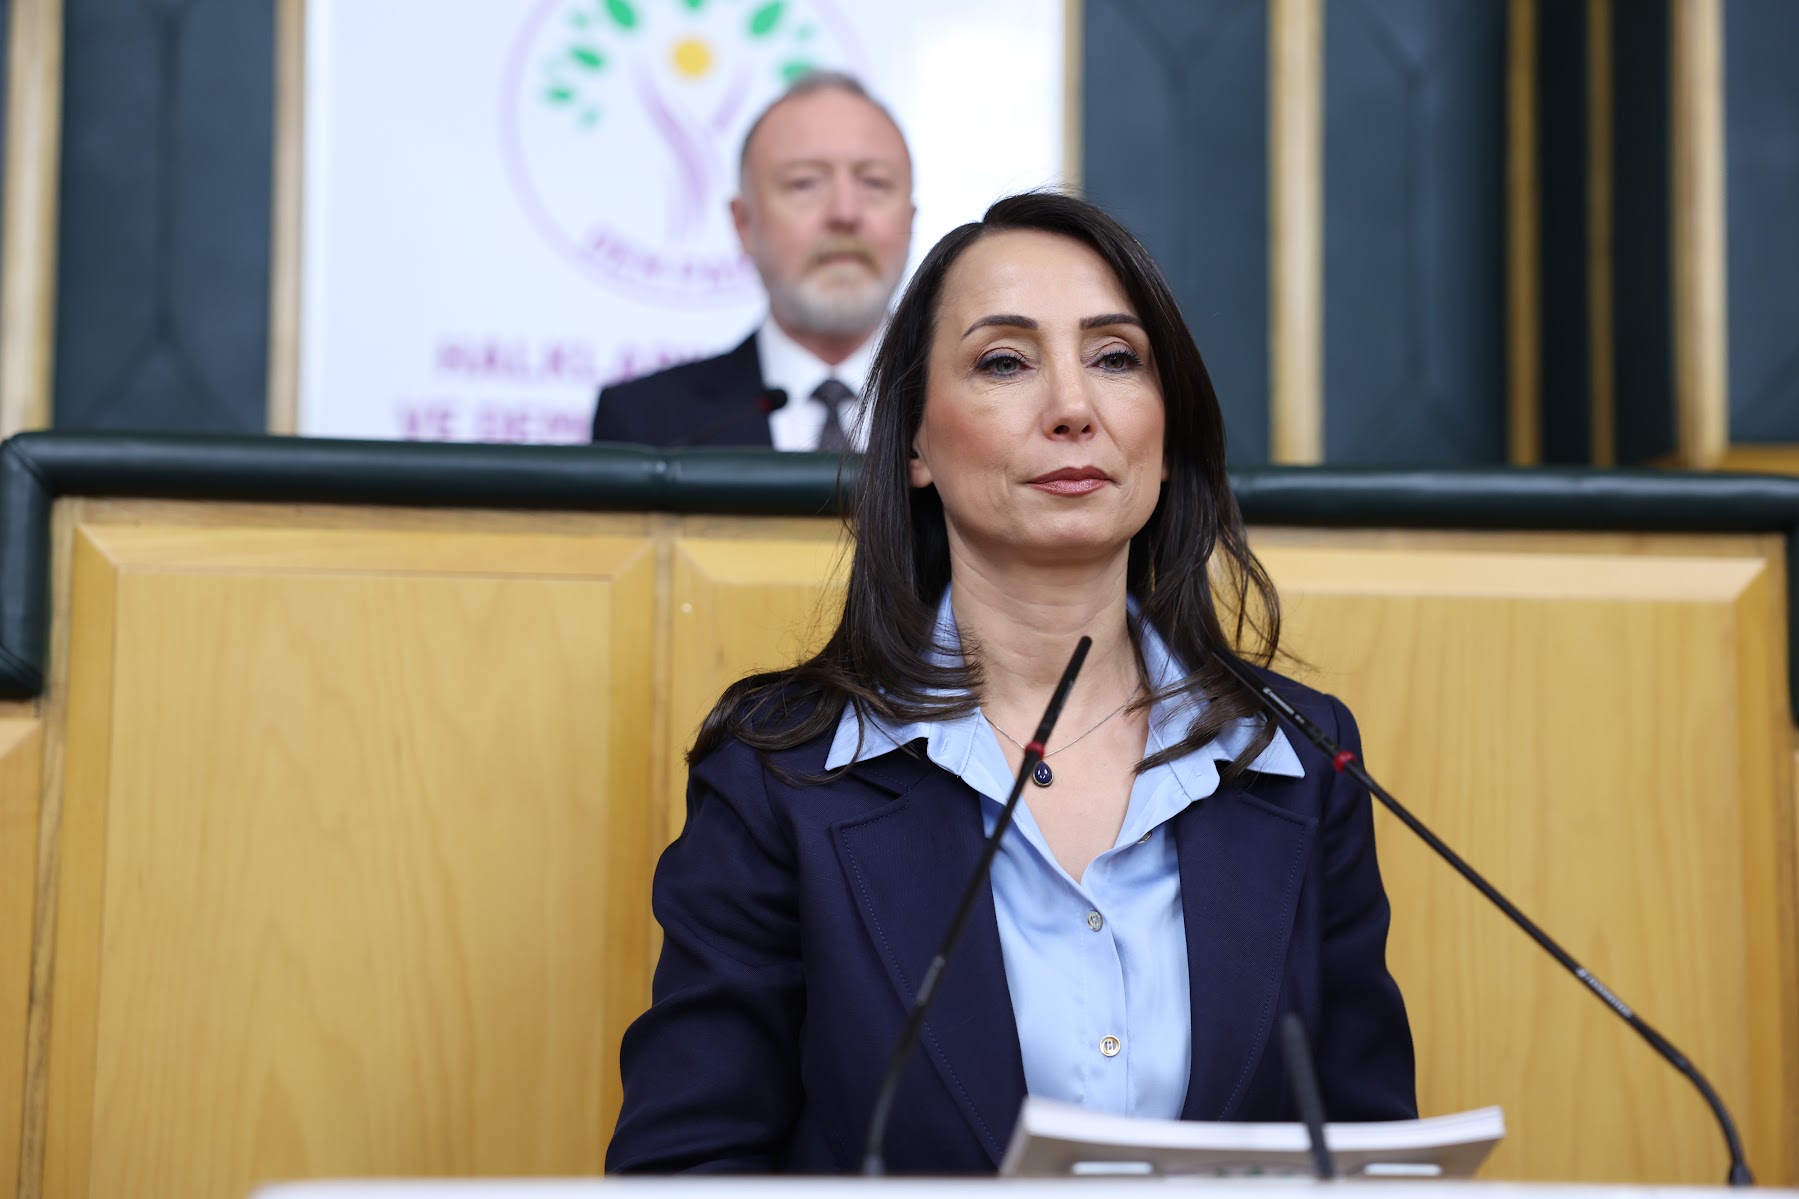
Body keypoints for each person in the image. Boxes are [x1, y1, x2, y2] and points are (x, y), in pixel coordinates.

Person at [606, 192, 1416, 1174]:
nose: (1072, 407)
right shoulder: (780, 771)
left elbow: (1372, 1158)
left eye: (1114, 358)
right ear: (914, 442)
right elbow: (685, 1169)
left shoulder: (1296, 759)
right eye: (1003, 361)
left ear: (1168, 431)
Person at [591, 71, 914, 450]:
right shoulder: (646, 422)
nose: (845, 212)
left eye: (874, 182)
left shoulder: (966, 405)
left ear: (910, 220)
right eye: (805, 183)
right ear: (743, 223)